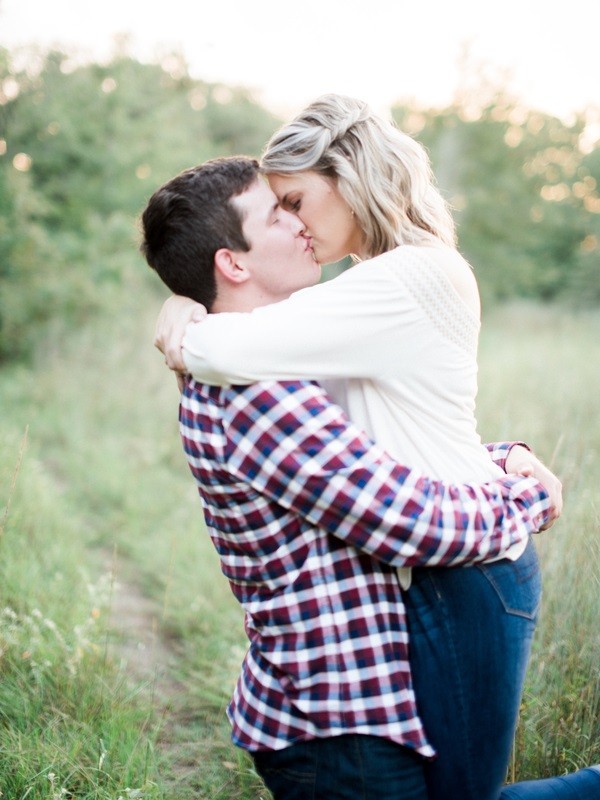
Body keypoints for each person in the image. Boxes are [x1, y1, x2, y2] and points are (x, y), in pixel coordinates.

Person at [152, 97, 599, 800]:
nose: (296, 222)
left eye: (295, 200)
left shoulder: (408, 275)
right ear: (232, 260)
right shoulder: (351, 299)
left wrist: (185, 318)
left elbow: (223, 345)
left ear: (348, 177)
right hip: (444, 559)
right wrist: (187, 306)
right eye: (280, 210)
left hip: (467, 565)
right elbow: (389, 434)